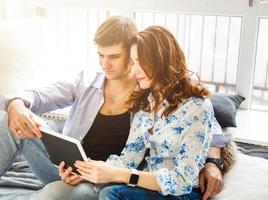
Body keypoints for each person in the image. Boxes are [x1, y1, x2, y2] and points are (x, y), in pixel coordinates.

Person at [0, 16, 224, 200]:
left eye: (114, 57)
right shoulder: (86, 82)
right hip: (69, 168)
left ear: (134, 52)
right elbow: (38, 95)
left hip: (105, 178)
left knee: (68, 195)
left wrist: (212, 162)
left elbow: (205, 123)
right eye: (100, 55)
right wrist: (16, 104)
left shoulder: (150, 92)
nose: (105, 64)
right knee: (9, 122)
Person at [74, 25, 215, 200]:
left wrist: (124, 176)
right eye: (133, 62)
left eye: (142, 61)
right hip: (146, 188)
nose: (135, 70)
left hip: (181, 193)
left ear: (162, 59)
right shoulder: (146, 103)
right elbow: (129, 158)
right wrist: (86, 171)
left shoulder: (197, 108)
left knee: (111, 194)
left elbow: (183, 180)